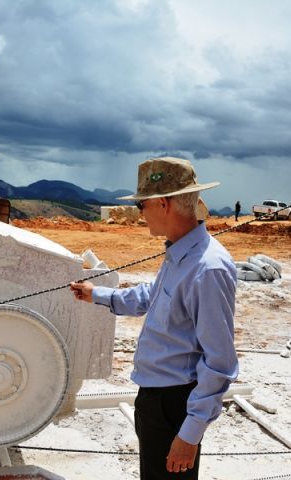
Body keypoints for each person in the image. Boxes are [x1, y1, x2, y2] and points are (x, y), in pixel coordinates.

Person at [70, 157, 239, 479]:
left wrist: (189, 435)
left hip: (173, 404)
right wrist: (98, 294)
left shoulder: (208, 268)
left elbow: (220, 361)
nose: (140, 213)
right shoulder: (180, 253)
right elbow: (151, 296)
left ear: (163, 204)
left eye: (142, 205)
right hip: (155, 396)